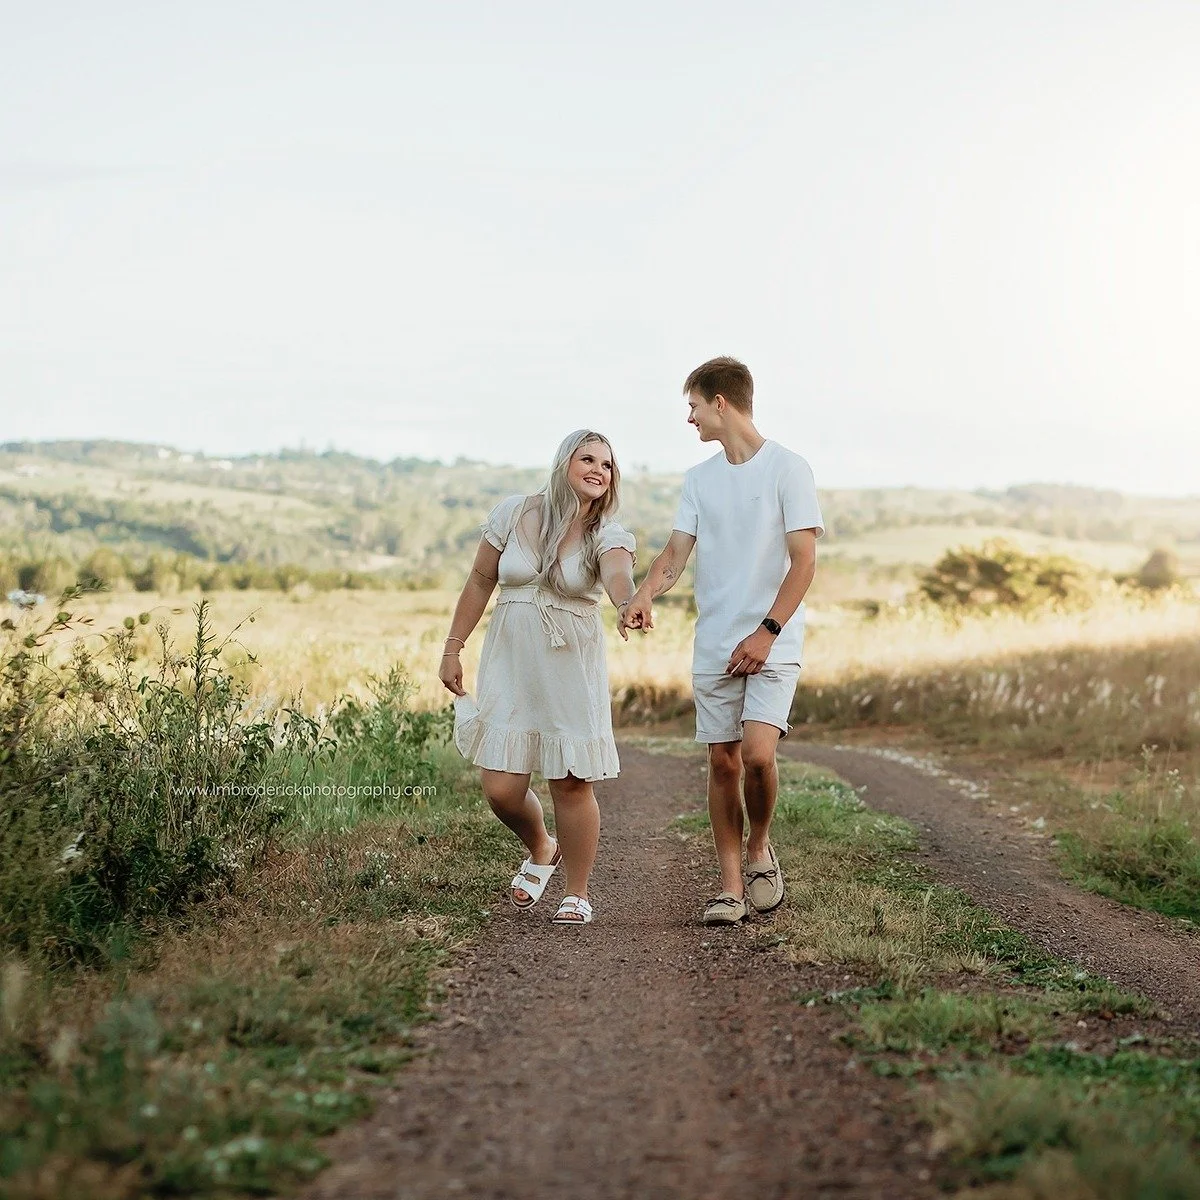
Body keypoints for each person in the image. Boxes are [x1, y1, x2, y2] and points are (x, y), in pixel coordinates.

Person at [623, 358, 824, 925]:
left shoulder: (789, 468)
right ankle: (731, 886)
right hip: (714, 641)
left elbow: (804, 562)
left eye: (692, 406)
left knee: (758, 758)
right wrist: (644, 595)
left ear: (721, 403)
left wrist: (767, 632)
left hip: (772, 640)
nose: (689, 418)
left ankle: (760, 846)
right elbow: (675, 555)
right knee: (724, 765)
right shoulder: (698, 480)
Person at [439, 430, 637, 926]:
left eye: (607, 465)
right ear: (563, 462)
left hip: (570, 662)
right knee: (500, 788)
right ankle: (542, 846)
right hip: (510, 659)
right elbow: (481, 579)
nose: (598, 469)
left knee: (569, 780)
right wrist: (453, 646)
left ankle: (578, 892)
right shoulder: (514, 512)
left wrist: (627, 602)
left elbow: (617, 574)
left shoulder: (607, 533)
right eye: (587, 458)